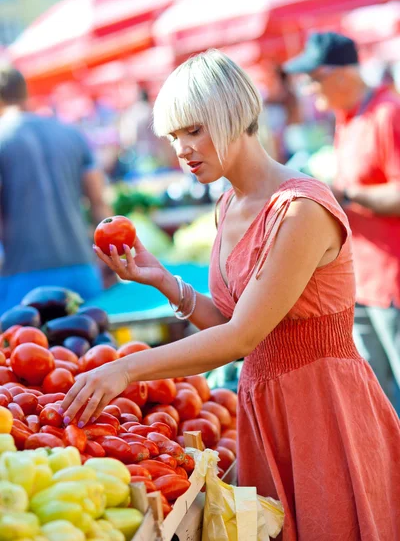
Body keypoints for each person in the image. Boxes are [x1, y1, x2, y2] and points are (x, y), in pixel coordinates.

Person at [61, 50, 400, 540]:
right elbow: (230, 319)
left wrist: (128, 368)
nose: (182, 149)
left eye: (194, 129)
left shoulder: (301, 208)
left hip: (325, 411)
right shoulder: (229, 204)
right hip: (266, 408)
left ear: (236, 116)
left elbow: (242, 336)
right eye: (174, 136)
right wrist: (161, 280)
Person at [284, 32, 400, 410]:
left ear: (340, 75)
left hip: (392, 284)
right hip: (361, 285)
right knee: (382, 402)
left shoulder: (388, 113)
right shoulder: (346, 118)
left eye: (313, 78)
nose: (307, 88)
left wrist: (345, 194)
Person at [0, 66, 112, 310]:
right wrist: (113, 259)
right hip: (82, 269)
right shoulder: (71, 133)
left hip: (21, 277)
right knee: (91, 344)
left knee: (23, 347)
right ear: (24, 91)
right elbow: (99, 204)